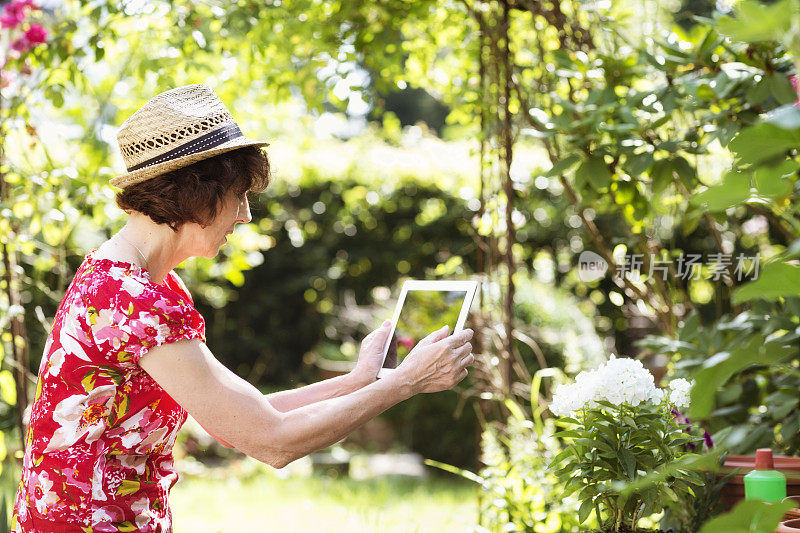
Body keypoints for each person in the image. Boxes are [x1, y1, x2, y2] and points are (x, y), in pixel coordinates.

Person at [11, 84, 474, 532]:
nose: (245, 215)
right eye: (240, 194)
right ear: (196, 190)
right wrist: (408, 383)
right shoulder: (134, 302)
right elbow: (271, 442)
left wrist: (358, 381)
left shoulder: (130, 282)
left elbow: (241, 420)